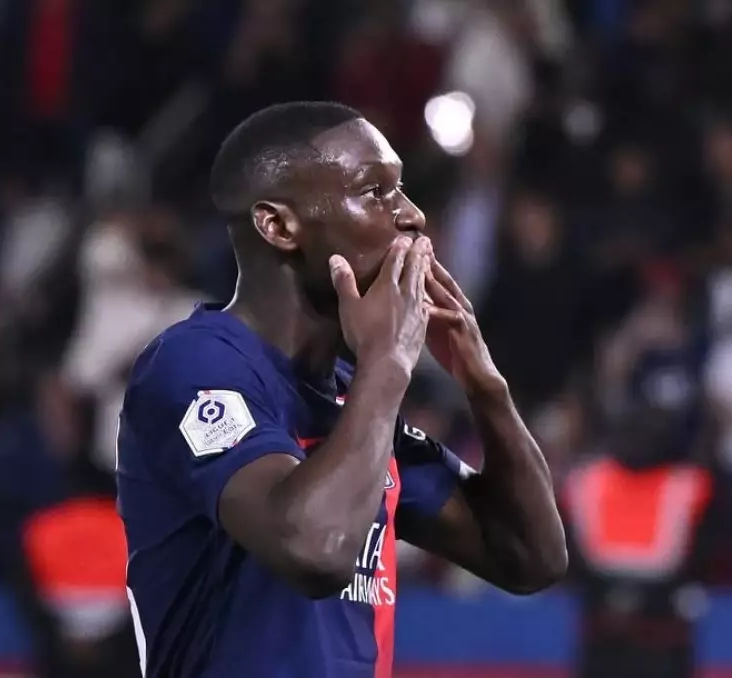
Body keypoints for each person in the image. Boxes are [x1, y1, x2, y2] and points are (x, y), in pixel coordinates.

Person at [115, 101, 567, 678]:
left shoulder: (357, 396)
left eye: (402, 189)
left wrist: (485, 387)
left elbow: (531, 557)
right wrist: (388, 364)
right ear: (279, 226)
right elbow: (315, 550)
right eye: (376, 191)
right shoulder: (193, 365)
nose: (413, 216)